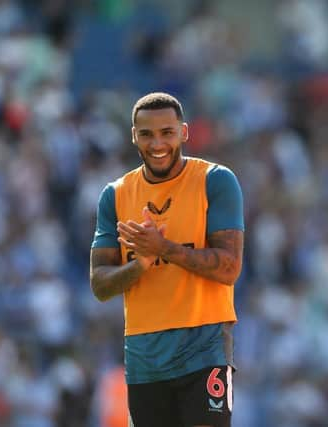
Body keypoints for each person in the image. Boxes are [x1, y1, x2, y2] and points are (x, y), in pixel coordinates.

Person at [90, 92, 244, 427]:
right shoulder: (115, 195)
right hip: (145, 353)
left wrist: (164, 249)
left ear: (184, 132)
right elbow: (100, 285)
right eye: (146, 134)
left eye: (167, 133)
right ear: (134, 136)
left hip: (205, 346)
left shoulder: (215, 181)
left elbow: (230, 267)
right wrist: (139, 265)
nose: (157, 143)